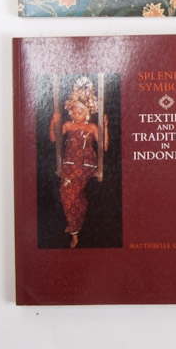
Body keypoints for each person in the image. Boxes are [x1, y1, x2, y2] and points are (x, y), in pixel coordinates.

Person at [49, 77, 106, 248]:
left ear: (87, 113)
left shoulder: (92, 128)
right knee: (65, 193)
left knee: (71, 195)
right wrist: (53, 122)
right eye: (73, 112)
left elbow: (104, 146)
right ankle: (75, 221)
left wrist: (106, 126)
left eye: (79, 112)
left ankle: (75, 233)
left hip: (85, 165)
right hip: (69, 165)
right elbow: (54, 139)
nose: (76, 115)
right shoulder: (68, 125)